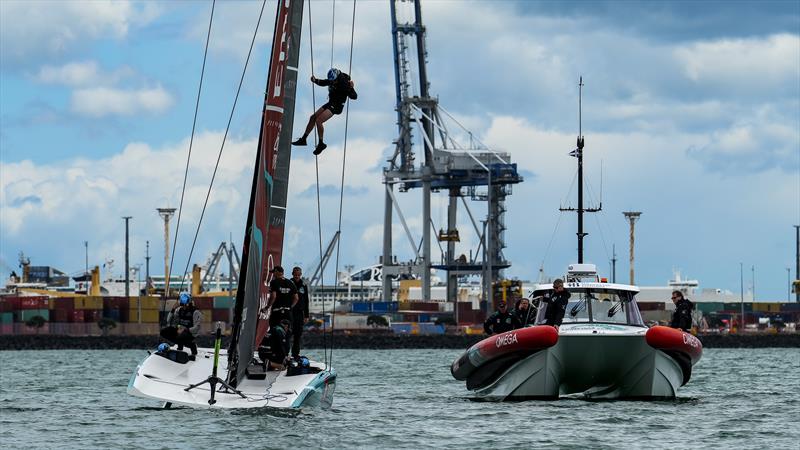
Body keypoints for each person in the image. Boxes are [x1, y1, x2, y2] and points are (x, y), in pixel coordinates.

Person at [292, 68, 358, 155]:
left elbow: (354, 96)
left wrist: (351, 87)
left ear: (337, 78)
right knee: (313, 117)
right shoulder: (333, 79)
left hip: (337, 106)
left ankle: (321, 144)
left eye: (333, 81)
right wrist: (315, 80)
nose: (332, 82)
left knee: (319, 121)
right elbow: (325, 82)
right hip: (331, 102)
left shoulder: (344, 84)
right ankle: (303, 139)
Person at [160, 292, 202, 360]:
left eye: (186, 304)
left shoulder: (195, 312)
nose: (184, 306)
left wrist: (185, 329)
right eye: (182, 304)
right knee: (163, 332)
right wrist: (173, 309)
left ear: (190, 302)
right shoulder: (179, 310)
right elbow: (169, 321)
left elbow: (197, 327)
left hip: (190, 333)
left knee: (180, 336)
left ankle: (190, 347)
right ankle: (183, 344)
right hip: (179, 330)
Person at [289, 266, 310, 358]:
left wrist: (306, 315)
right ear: (292, 274)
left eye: (298, 275)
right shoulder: (288, 283)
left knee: (298, 335)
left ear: (301, 275)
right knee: (288, 334)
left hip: (299, 313)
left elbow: (306, 301)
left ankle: (295, 354)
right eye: (295, 274)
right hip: (290, 312)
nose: (297, 276)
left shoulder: (303, 286)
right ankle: (284, 353)